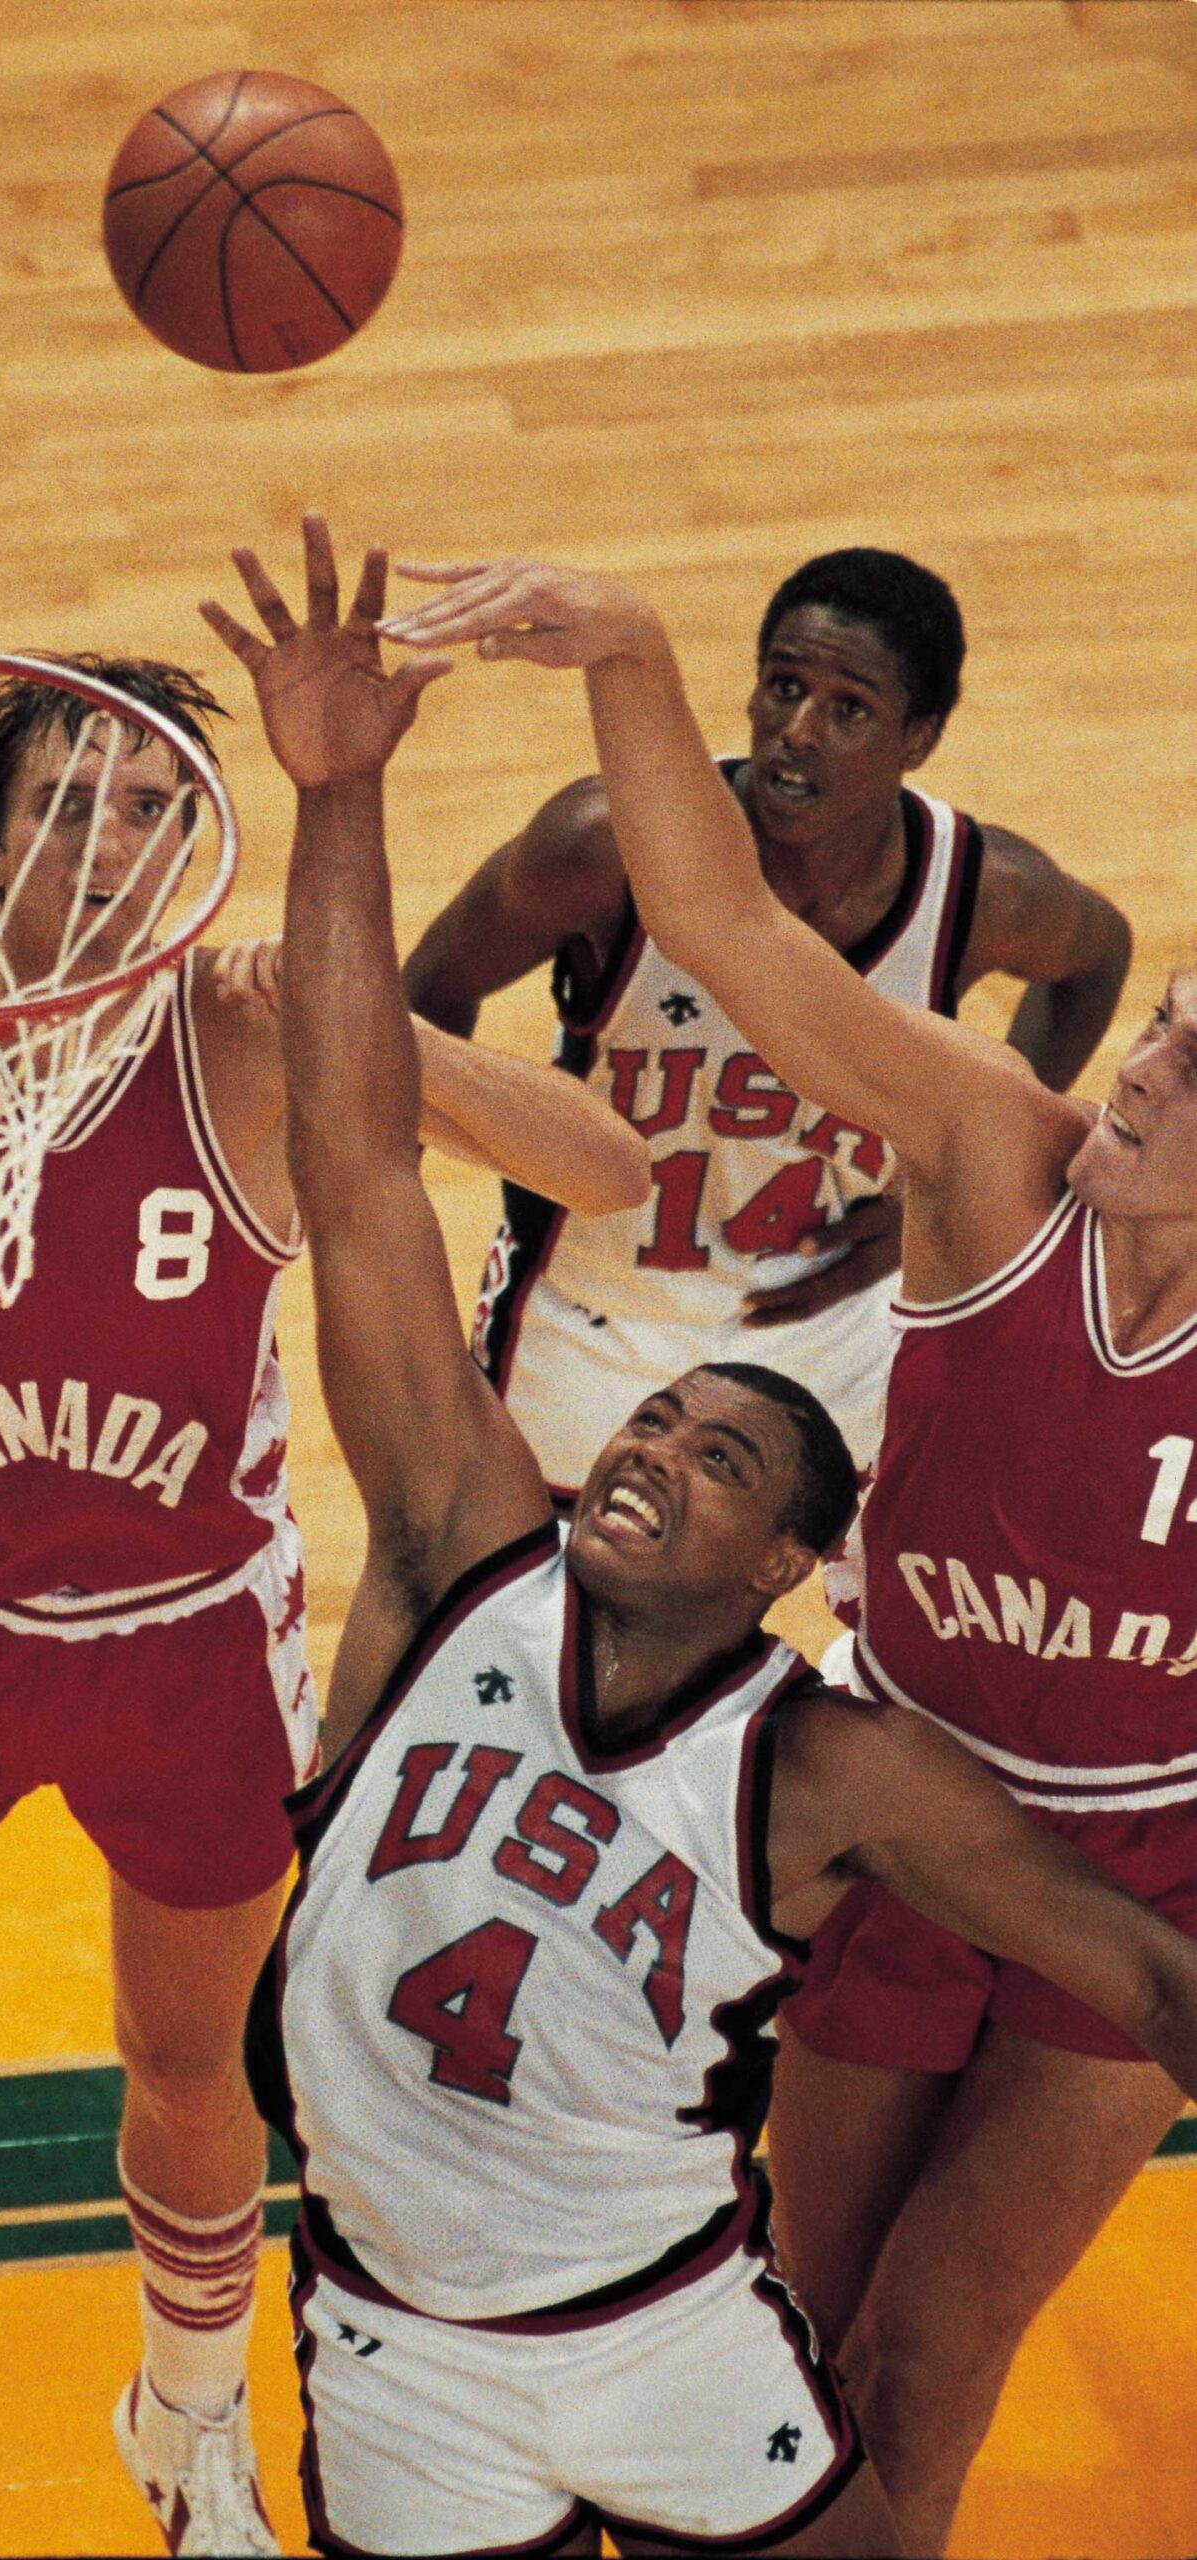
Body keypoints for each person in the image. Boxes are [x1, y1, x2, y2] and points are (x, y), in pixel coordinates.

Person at [0, 648, 652, 2560]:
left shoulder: (247, 1041)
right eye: (66, 804)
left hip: (183, 1642)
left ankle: (188, 2426)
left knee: (192, 2066)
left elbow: (600, 1169)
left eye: (145, 808)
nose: (109, 843)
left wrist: (357, 1013)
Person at [377, 549, 1197, 2555]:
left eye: (1190, 1066)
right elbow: (725, 924)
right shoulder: (992, 1149)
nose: (1137, 1060)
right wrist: (629, 654)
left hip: (1137, 1859)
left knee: (935, 2354)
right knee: (797, 2341)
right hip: (897, 1810)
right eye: (1163, 1024)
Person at [400, 548, 1130, 1488]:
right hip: (590, 1312)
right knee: (527, 1572)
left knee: (837, 1566)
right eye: (783, 686)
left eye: (848, 708)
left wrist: (947, 1185)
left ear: (916, 737)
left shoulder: (981, 892)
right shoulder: (601, 845)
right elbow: (421, 996)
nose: (796, 731)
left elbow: (1095, 962)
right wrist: (395, 1202)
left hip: (829, 1329)